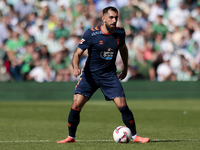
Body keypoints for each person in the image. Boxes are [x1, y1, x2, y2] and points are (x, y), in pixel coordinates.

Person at [57, 6, 150, 144]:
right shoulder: (91, 34)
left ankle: (135, 136)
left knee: (123, 106)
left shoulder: (120, 33)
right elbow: (77, 53)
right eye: (111, 17)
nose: (114, 20)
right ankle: (71, 137)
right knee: (76, 105)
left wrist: (125, 68)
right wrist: (75, 67)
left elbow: (123, 50)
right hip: (90, 75)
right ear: (104, 18)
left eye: (116, 18)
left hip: (109, 76)